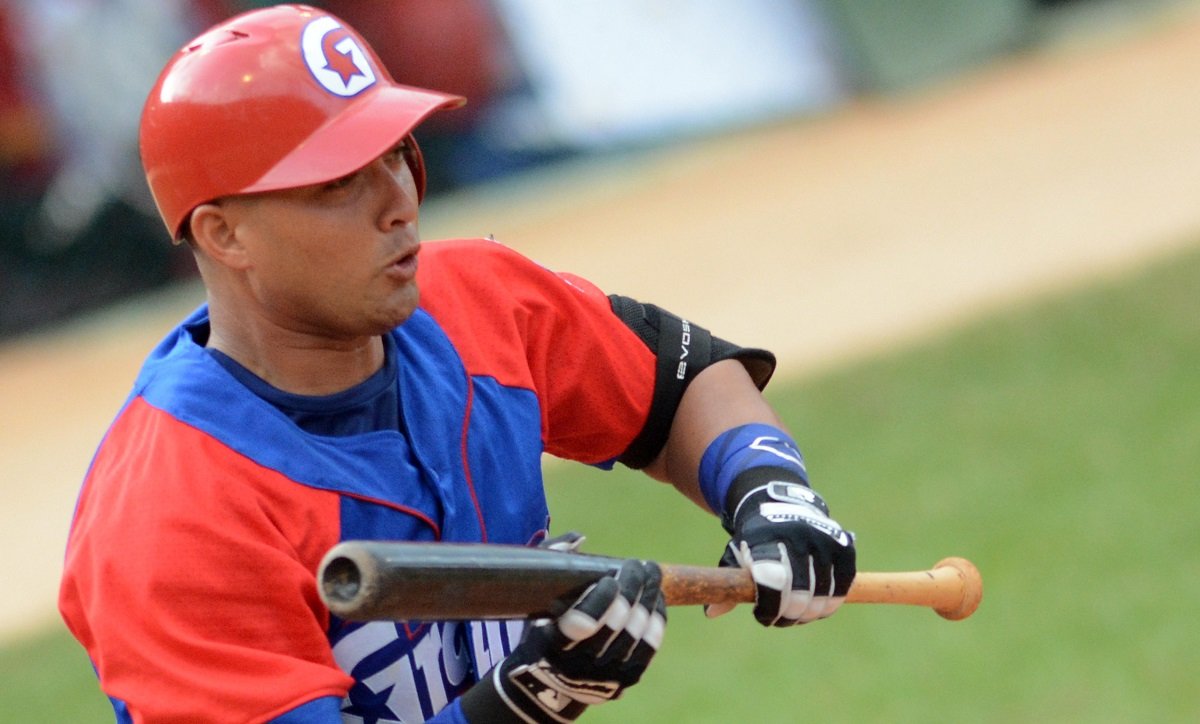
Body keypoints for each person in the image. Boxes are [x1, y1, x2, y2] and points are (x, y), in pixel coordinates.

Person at [58, 5, 856, 723]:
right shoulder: (172, 521)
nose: (399, 200)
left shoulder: (475, 302)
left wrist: (768, 490)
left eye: (397, 151)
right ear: (223, 235)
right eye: (338, 181)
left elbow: (684, 383)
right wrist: (521, 702)